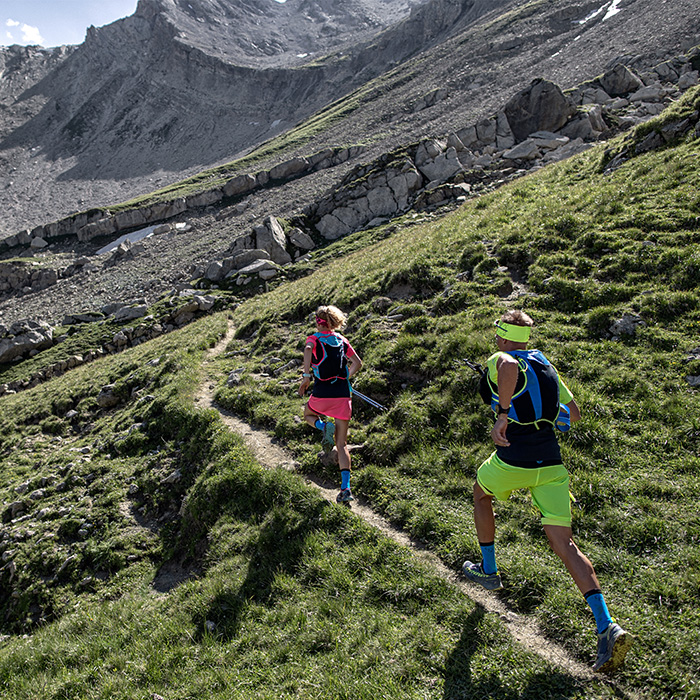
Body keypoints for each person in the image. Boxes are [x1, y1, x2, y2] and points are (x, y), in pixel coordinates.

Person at [462, 309, 632, 674]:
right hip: (551, 465)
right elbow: (573, 413)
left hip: (514, 460)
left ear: (503, 335)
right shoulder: (543, 363)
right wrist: (546, 419)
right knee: (564, 541)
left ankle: (489, 570)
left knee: (480, 493)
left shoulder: (500, 358)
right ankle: (606, 625)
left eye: (498, 334)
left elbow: (506, 365)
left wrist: (504, 414)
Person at [298, 305, 363, 503]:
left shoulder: (314, 339)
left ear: (318, 322)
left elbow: (308, 349)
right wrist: (346, 377)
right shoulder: (343, 340)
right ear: (334, 322)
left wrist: (306, 376)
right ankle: (346, 489)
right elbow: (357, 363)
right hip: (343, 394)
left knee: (308, 414)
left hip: (322, 392)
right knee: (341, 444)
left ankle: (323, 426)